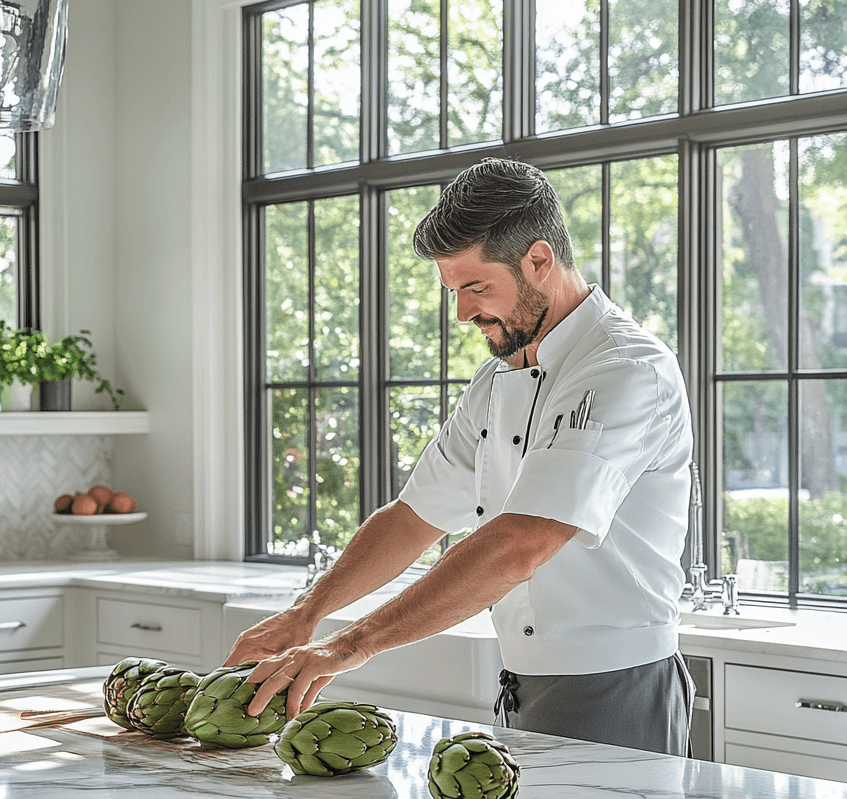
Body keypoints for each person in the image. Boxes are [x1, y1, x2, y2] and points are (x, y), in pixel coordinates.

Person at [231, 157, 694, 756]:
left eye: (476, 288)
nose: (462, 313)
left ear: (539, 260)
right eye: (453, 291)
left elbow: (522, 543)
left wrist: (350, 645)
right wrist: (307, 612)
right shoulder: (496, 378)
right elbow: (412, 517)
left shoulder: (623, 369)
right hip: (518, 685)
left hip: (618, 687)